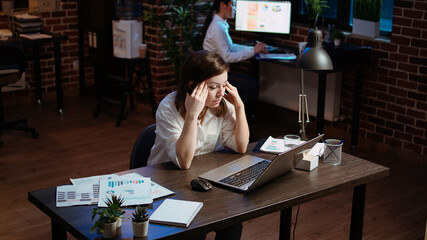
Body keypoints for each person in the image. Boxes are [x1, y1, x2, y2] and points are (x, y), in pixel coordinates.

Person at [147, 50, 246, 239]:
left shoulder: (221, 104)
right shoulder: (169, 108)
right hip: (165, 184)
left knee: (233, 223)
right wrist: (192, 114)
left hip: (201, 180)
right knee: (195, 232)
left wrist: (239, 106)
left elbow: (240, 146)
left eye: (224, 85)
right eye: (213, 87)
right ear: (193, 86)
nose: (221, 93)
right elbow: (183, 162)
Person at [202, 0, 268, 140]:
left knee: (250, 83)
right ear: (223, 5)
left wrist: (253, 49)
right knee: (252, 85)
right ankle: (238, 123)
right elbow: (227, 56)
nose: (235, 9)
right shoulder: (217, 28)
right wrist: (253, 51)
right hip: (214, 76)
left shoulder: (220, 24)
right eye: (233, 5)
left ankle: (240, 122)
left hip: (219, 73)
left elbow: (231, 47)